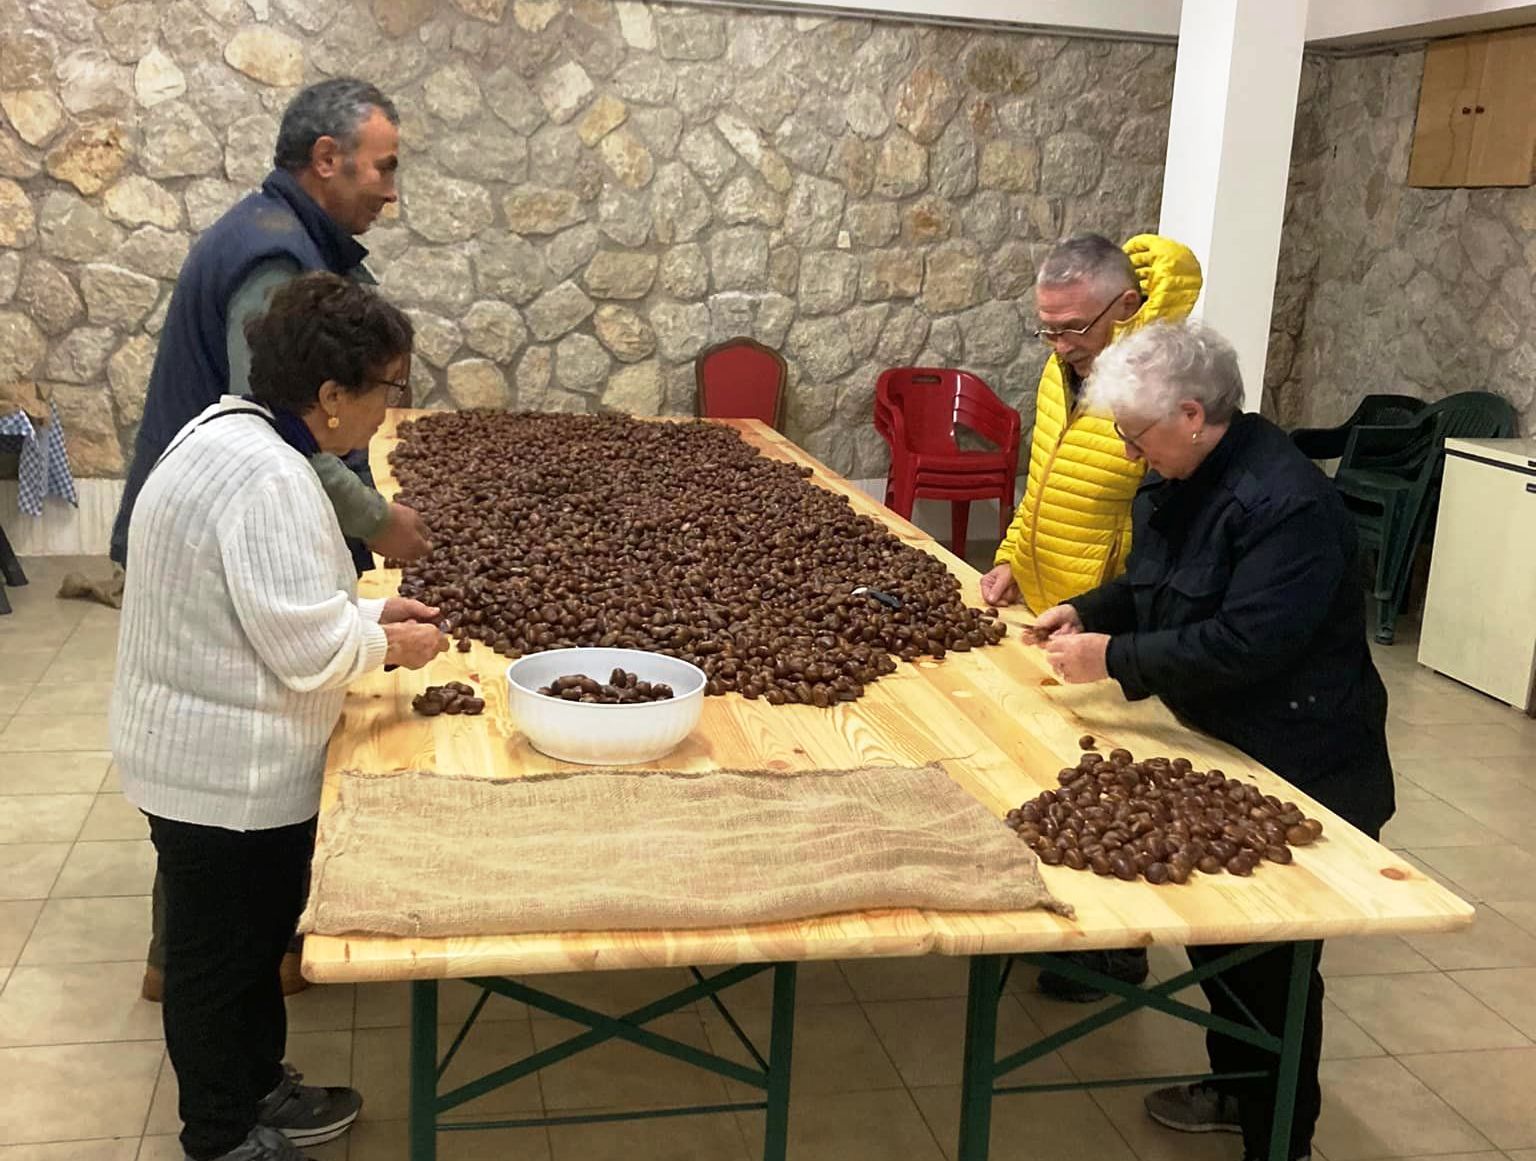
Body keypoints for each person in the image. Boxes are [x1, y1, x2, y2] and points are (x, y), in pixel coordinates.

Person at [1033, 320, 1395, 1161]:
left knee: (1273, 969)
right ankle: (1234, 1087)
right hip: (1227, 743)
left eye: (1135, 435)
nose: (1128, 454)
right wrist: (1096, 608)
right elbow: (1160, 582)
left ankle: (1282, 1139)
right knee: (1219, 940)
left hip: (1307, 761)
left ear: (1192, 414)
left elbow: (1245, 642)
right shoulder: (1191, 470)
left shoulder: (1288, 504)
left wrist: (1112, 658)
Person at [112, 273, 447, 1161]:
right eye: (388, 388)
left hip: (205, 750)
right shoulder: (269, 479)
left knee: (250, 940)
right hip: (219, 772)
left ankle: (259, 1088)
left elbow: (271, 608)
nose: (388, 410)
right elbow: (302, 648)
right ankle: (221, 1135)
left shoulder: (232, 432)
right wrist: (386, 645)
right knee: (217, 963)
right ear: (333, 397)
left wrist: (374, 617)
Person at [122, 76, 433, 1004]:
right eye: (384, 166)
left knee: (215, 832)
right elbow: (289, 421)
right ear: (326, 159)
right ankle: (207, 973)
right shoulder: (276, 264)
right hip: (211, 555)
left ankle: (214, 959)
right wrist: (384, 528)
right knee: (216, 826)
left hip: (207, 537)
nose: (391, 188)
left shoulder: (282, 232)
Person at [981, 232, 1202, 1001]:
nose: (1059, 343)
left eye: (1074, 327)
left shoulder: (1157, 382)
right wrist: (1012, 552)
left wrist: (1116, 638)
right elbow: (1044, 477)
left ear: (1128, 305)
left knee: (1104, 780)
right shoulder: (1061, 368)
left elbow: (1160, 528)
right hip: (1055, 607)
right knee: (1041, 767)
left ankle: (1116, 946)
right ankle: (1056, 902)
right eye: (1045, 326)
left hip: (1115, 630)